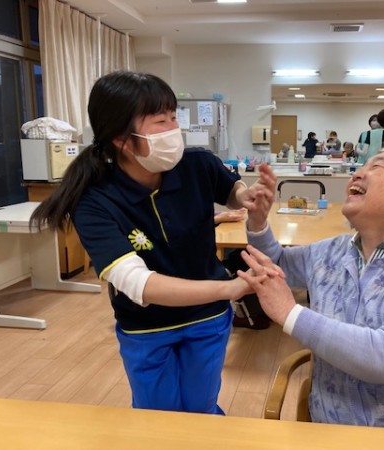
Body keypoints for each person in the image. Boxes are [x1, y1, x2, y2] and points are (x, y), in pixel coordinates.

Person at [29, 70, 274, 415]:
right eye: (161, 121)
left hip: (207, 319)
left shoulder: (197, 164)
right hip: (147, 327)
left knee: (201, 407)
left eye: (174, 117)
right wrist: (228, 289)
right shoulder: (94, 200)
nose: (174, 129)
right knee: (156, 417)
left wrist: (247, 196)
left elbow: (231, 189)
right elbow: (138, 284)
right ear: (122, 139)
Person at [237, 147, 384, 433]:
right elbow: (277, 265)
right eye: (362, 166)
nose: (358, 173)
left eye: (376, 167)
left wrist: (291, 314)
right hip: (331, 432)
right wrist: (258, 222)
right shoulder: (334, 250)